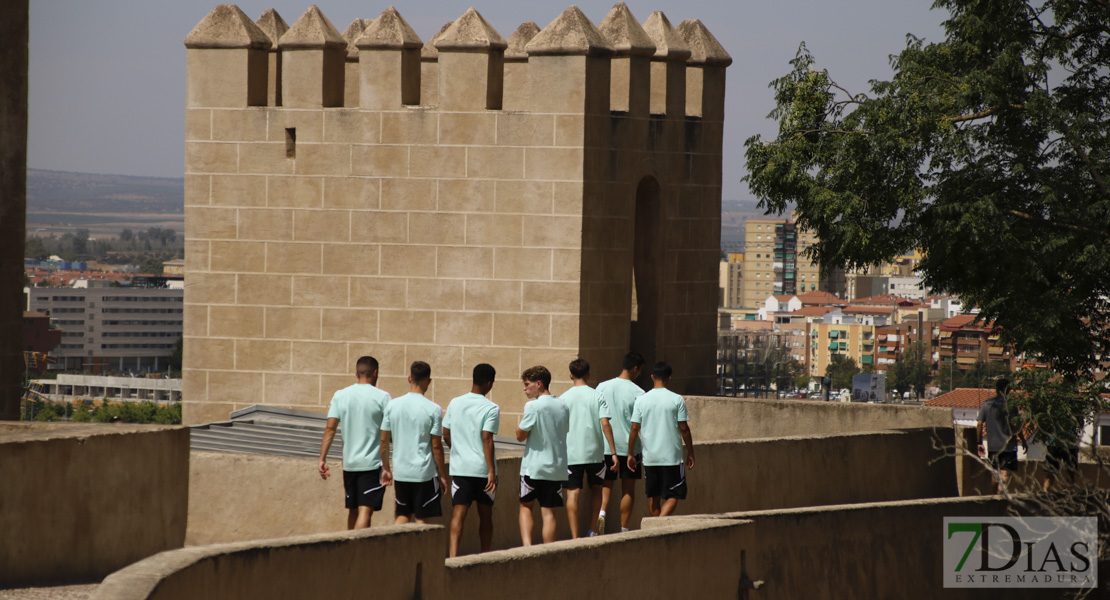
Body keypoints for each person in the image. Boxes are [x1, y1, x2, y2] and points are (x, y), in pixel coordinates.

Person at [318, 356, 391, 530]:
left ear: (356, 373)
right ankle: (360, 550)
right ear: (375, 373)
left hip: (349, 464)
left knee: (353, 510)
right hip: (371, 464)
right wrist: (387, 467)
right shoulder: (383, 397)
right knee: (365, 511)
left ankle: (350, 551)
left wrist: (322, 458)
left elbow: (330, 428)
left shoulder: (340, 395)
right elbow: (387, 435)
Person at [443, 363, 500, 557]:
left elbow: (445, 432)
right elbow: (487, 438)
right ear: (489, 383)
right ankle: (485, 555)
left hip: (461, 469)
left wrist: (457, 449)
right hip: (483, 471)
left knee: (459, 514)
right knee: (485, 515)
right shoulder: (491, 408)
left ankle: (452, 556)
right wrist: (491, 471)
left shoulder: (455, 402)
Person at [381, 361, 448, 524]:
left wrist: (386, 468)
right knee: (421, 518)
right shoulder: (434, 409)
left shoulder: (392, 405)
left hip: (401, 471)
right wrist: (443, 476)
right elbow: (436, 446)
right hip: (424, 473)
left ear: (409, 378)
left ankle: (391, 546)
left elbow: (383, 440)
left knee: (403, 515)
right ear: (429, 381)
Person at [627, 361, 694, 518]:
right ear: (669, 378)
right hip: (671, 458)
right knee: (675, 494)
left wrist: (630, 453)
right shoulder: (677, 399)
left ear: (652, 377)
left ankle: (655, 527)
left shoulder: (641, 400)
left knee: (654, 496)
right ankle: (660, 524)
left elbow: (634, 429)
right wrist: (691, 452)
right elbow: (684, 428)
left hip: (650, 458)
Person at [561, 358, 617, 538]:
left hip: (571, 454)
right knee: (597, 489)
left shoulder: (563, 398)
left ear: (570, 375)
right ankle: (592, 529)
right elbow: (605, 424)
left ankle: (575, 536)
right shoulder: (597, 396)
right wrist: (614, 453)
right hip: (595, 453)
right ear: (588, 374)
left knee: (572, 493)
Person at [516, 365, 569, 546]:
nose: (524, 388)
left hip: (534, 467)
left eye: (527, 384)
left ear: (539, 384)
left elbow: (520, 435)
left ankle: (527, 549)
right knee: (549, 512)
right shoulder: (563, 405)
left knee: (526, 507)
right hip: (556, 467)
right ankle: (548, 551)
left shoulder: (533, 406)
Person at [596, 352, 646, 532]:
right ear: (635, 368)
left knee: (606, 485)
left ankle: (601, 513)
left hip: (607, 446)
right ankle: (624, 529)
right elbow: (639, 425)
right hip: (629, 448)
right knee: (628, 490)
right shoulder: (639, 393)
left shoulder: (602, 386)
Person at [976, 377, 1026, 494]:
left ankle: (994, 496)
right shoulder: (1011, 405)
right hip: (1009, 446)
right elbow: (1016, 425)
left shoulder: (987, 404)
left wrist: (979, 442)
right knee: (1005, 473)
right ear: (1008, 390)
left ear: (996, 389)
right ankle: (1000, 493)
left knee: (995, 472)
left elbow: (979, 424)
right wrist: (1023, 440)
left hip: (993, 446)